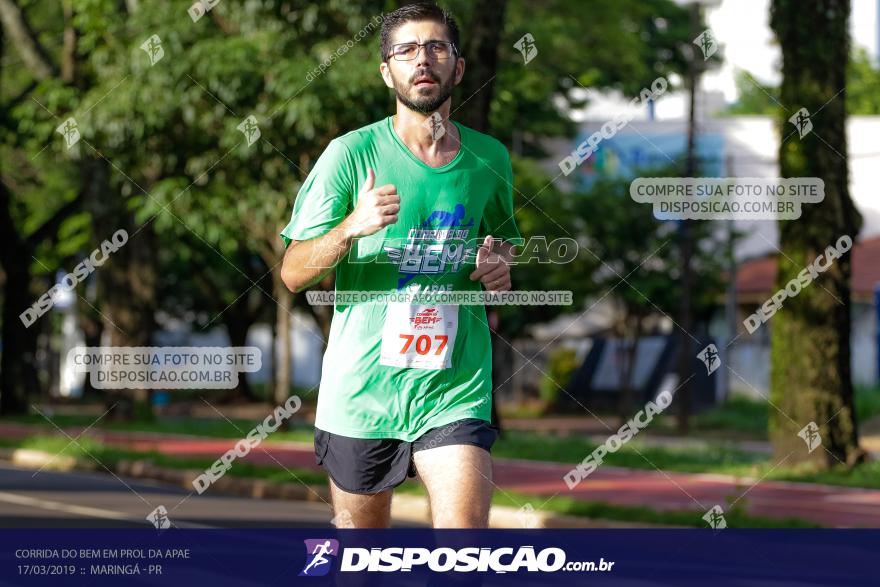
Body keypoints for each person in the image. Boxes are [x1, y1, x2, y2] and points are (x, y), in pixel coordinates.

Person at [280, 2, 521, 528]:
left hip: (454, 388)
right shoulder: (350, 154)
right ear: (387, 70)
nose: (423, 59)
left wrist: (500, 263)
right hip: (364, 393)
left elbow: (504, 242)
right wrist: (351, 227)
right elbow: (294, 272)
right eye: (407, 50)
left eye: (437, 47)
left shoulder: (489, 158)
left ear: (458, 67)